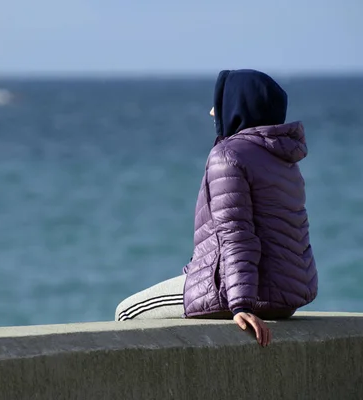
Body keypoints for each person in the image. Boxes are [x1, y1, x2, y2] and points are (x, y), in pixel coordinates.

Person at [115, 69, 318, 347]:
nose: (212, 112)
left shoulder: (227, 155)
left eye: (220, 102)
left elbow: (236, 233)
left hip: (240, 293)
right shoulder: (284, 159)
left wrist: (241, 305)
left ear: (239, 106)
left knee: (126, 312)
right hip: (286, 297)